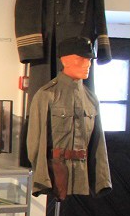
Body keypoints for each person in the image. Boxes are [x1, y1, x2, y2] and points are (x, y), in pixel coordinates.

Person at [25, 36, 111, 200]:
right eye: (81, 59)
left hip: (83, 178)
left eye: (89, 60)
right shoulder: (47, 95)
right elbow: (35, 143)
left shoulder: (91, 99)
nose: (87, 64)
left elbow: (99, 143)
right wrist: (42, 178)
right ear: (65, 60)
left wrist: (102, 180)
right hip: (55, 177)